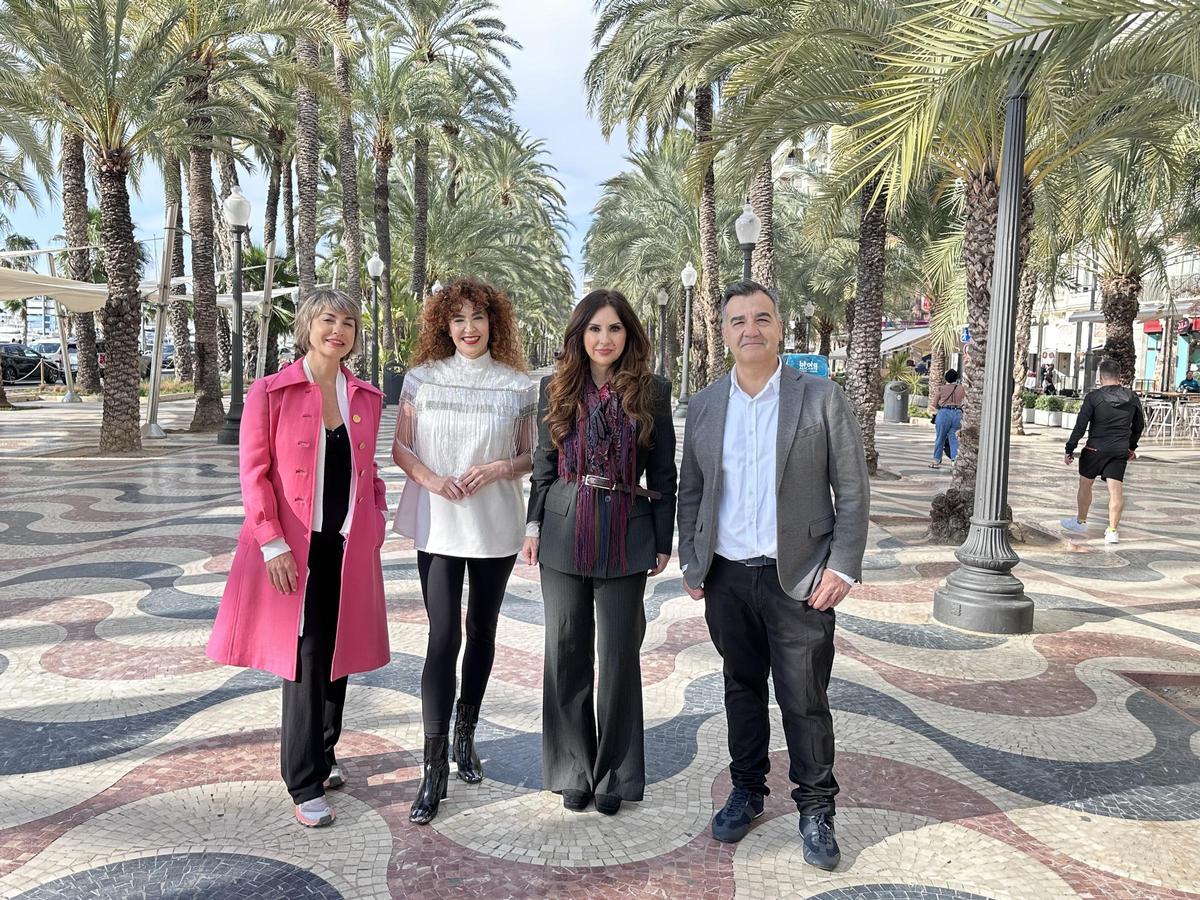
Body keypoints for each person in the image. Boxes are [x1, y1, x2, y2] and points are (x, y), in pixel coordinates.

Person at [677, 281, 870, 871]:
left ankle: (816, 809)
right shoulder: (708, 404)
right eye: (738, 320)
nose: (750, 330)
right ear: (724, 332)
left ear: (780, 327)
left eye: (761, 318)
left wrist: (841, 566)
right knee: (741, 690)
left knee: (805, 699)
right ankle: (748, 791)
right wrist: (693, 558)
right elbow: (693, 490)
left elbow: (853, 490)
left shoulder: (819, 397)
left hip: (802, 580)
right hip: (729, 576)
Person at [207, 289, 390, 828]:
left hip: (347, 546)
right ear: (308, 325)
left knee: (339, 653)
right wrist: (272, 543)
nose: (339, 330)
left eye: (349, 322)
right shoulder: (272, 392)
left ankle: (326, 753)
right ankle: (302, 777)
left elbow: (369, 472)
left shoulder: (364, 397)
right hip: (294, 550)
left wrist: (374, 520)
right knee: (307, 656)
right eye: (328, 319)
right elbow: (254, 474)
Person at [522, 289, 676, 817]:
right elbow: (544, 465)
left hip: (625, 532)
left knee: (617, 655)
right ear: (579, 335)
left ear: (628, 334)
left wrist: (661, 538)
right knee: (565, 651)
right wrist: (534, 525)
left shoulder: (652, 391)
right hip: (565, 529)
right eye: (594, 329)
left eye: (614, 328)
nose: (604, 339)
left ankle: (614, 774)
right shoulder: (555, 387)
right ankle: (573, 770)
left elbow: (664, 473)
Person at [391, 278, 537, 826]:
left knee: (483, 632)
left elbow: (529, 455)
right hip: (440, 520)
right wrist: (432, 479)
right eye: (458, 319)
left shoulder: (518, 386)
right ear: (443, 326)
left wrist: (498, 468)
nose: (469, 328)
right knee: (442, 636)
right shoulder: (420, 381)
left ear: (493, 323)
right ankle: (433, 770)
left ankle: (465, 736)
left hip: (495, 522)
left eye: (478, 317)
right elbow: (401, 447)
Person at [1060, 358, 1146, 544]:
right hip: (1119, 450)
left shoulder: (1094, 397)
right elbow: (1139, 425)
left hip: (1094, 449)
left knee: (1085, 484)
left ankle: (1081, 521)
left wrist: (1070, 448)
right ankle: (1113, 531)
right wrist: (1131, 447)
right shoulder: (1132, 397)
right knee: (1116, 490)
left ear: (1100, 377)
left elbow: (1080, 425)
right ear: (1119, 376)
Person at [928, 369, 965, 468]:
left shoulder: (941, 389)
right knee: (954, 438)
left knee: (940, 437)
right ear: (956, 378)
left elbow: (934, 405)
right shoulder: (961, 389)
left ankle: (936, 460)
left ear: (946, 378)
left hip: (944, 413)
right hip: (958, 413)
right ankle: (954, 460)